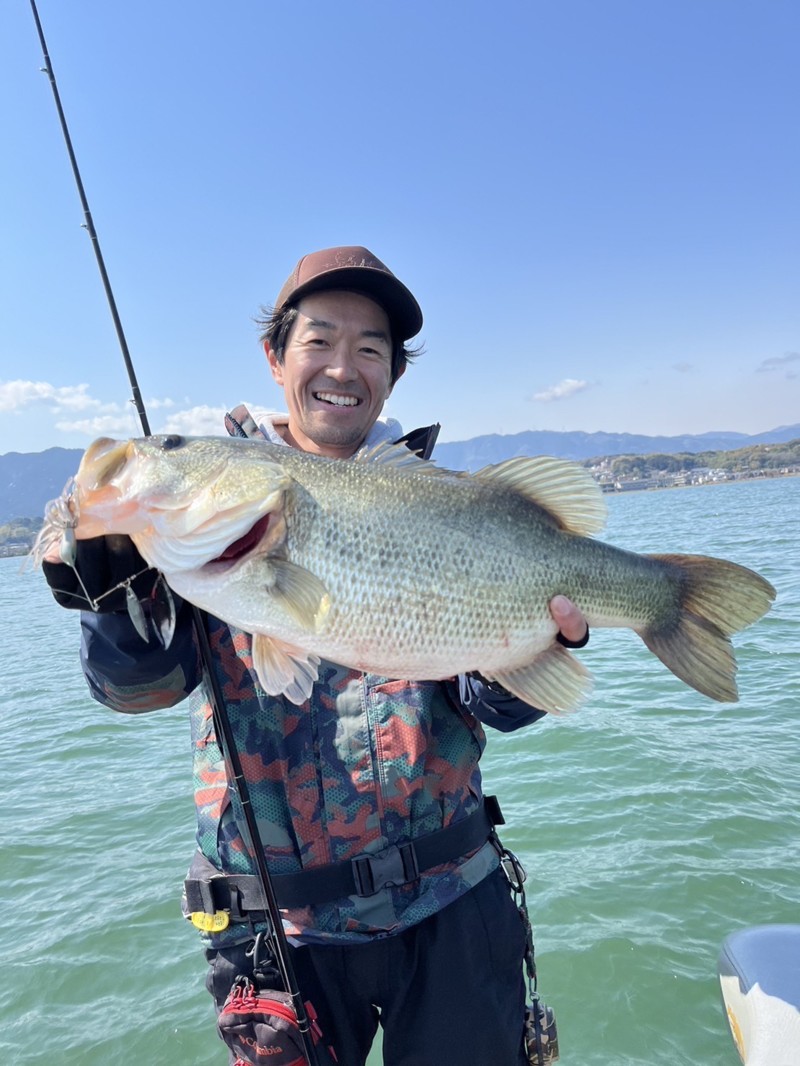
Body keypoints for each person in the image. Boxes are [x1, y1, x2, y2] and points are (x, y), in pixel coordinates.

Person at [43, 246, 588, 1065]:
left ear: (392, 376)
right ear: (275, 357)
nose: (343, 367)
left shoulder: (453, 505)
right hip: (275, 932)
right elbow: (141, 688)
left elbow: (496, 704)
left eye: (370, 349)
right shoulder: (199, 525)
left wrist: (539, 655)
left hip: (452, 904)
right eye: (319, 341)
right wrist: (113, 599)